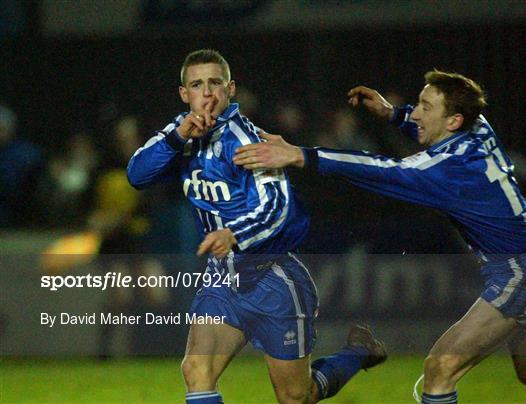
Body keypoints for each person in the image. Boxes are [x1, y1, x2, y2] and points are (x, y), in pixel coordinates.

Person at [233, 70, 526, 403]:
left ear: (453, 121)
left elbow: (380, 169)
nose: (416, 112)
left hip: (522, 272)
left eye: (425, 106)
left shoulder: (448, 170)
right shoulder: (479, 129)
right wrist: (394, 114)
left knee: (440, 368)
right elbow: (432, 129)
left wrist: (300, 155)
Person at [127, 49, 386, 404]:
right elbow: (136, 174)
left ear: (230, 89)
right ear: (184, 94)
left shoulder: (245, 140)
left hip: (272, 277)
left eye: (215, 83)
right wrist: (176, 138)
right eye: (197, 85)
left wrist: (234, 234)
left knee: (297, 395)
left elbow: (276, 207)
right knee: (196, 371)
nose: (207, 93)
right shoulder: (181, 133)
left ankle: (357, 353)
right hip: (223, 278)